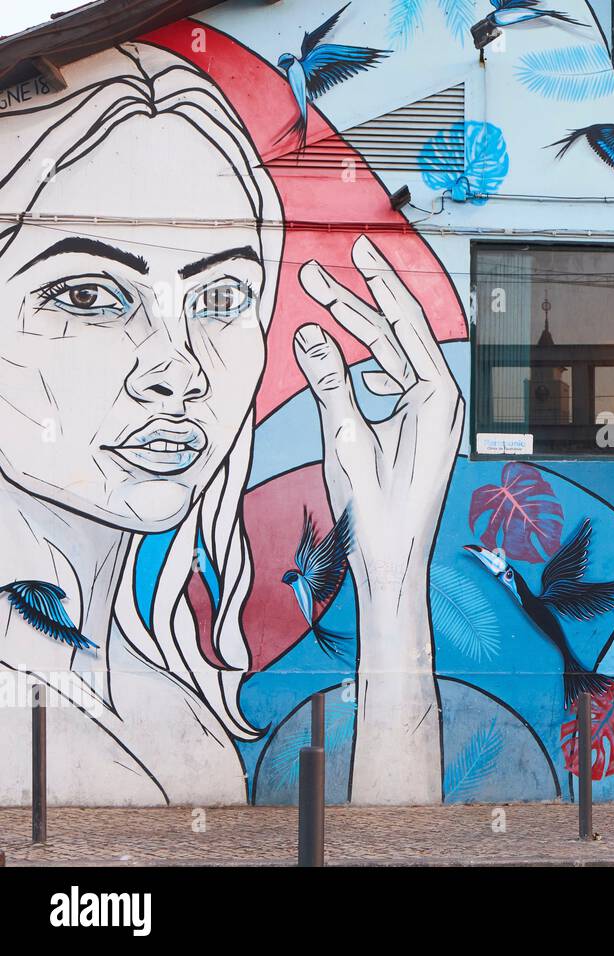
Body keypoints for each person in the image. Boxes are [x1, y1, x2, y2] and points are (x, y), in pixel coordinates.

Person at [0, 43, 463, 804]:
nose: (179, 369)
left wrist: (390, 579)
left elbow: (394, 854)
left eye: (219, 300)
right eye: (89, 296)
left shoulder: (183, 718)